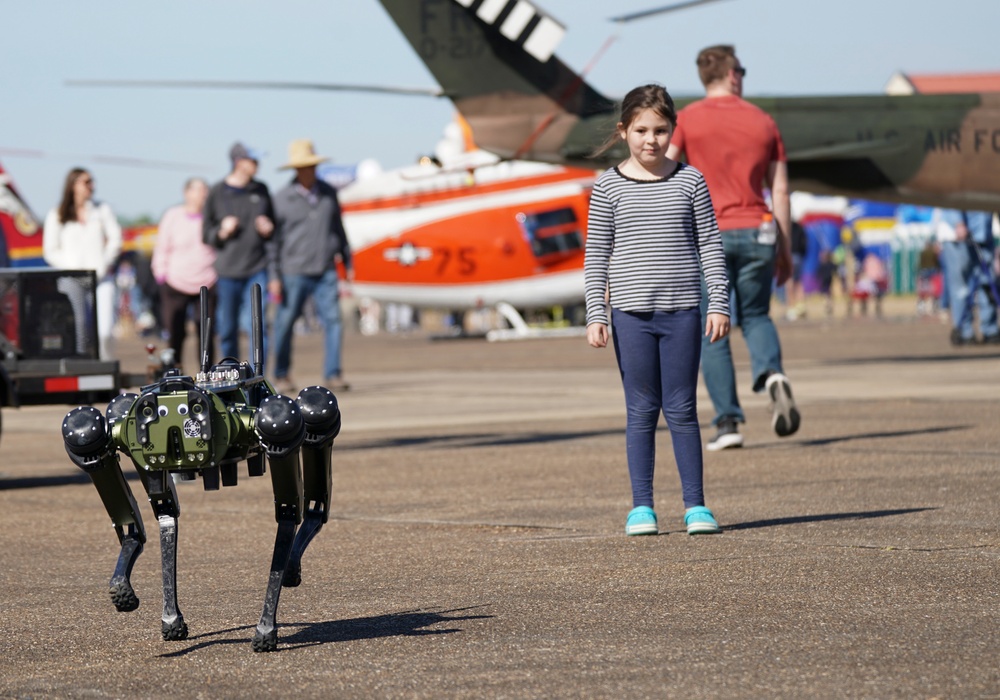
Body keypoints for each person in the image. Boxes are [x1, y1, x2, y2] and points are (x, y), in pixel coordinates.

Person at [584, 84, 731, 537]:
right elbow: (597, 254)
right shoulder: (607, 186)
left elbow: (709, 243)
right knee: (641, 410)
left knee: (683, 408)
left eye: (661, 130)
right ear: (624, 131)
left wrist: (719, 302)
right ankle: (641, 507)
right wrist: (596, 312)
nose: (651, 139)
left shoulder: (690, 181)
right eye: (642, 130)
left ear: (673, 131)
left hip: (683, 311)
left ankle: (696, 506)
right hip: (629, 315)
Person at [666, 44, 800, 451]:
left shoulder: (686, 121)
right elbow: (779, 188)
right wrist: (785, 248)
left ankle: (728, 422)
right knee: (756, 315)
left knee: (713, 326)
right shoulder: (764, 122)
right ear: (732, 74)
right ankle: (772, 374)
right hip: (758, 229)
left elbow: (664, 172)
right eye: (741, 69)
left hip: (709, 234)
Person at [270, 139, 353, 393]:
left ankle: (333, 373)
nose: (310, 171)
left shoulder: (329, 193)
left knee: (334, 321)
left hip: (326, 268)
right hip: (293, 271)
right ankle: (281, 374)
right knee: (285, 322)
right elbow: (274, 242)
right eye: (305, 167)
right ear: (296, 170)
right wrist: (275, 274)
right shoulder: (281, 199)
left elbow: (338, 230)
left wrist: (347, 261)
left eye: (313, 166)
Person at [203, 143, 276, 365]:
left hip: (257, 269)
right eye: (252, 160)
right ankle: (230, 375)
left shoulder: (261, 190)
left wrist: (268, 228)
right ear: (238, 162)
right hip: (227, 272)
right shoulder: (217, 192)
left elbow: (275, 231)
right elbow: (206, 234)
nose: (257, 165)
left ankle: (258, 377)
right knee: (227, 329)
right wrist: (222, 231)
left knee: (257, 327)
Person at [42, 168, 122, 360]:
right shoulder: (57, 213)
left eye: (91, 181)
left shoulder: (102, 210)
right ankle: (82, 367)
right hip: (72, 279)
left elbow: (115, 239)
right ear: (73, 185)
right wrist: (72, 267)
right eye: (86, 182)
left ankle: (106, 369)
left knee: (105, 331)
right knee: (78, 329)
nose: (91, 186)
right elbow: (50, 250)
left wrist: (104, 263)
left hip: (101, 278)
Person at [151, 178, 217, 369]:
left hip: (207, 281)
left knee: (205, 333)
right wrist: (160, 273)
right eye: (198, 190)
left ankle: (206, 372)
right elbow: (162, 245)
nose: (203, 194)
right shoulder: (173, 215)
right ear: (186, 193)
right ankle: (173, 372)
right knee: (175, 332)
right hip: (175, 281)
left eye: (205, 190)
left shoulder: (211, 216)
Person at [934, 208, 999, 345]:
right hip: (956, 235)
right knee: (961, 287)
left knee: (987, 282)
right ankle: (964, 330)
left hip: (983, 233)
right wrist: (958, 223)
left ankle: (990, 329)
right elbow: (952, 195)